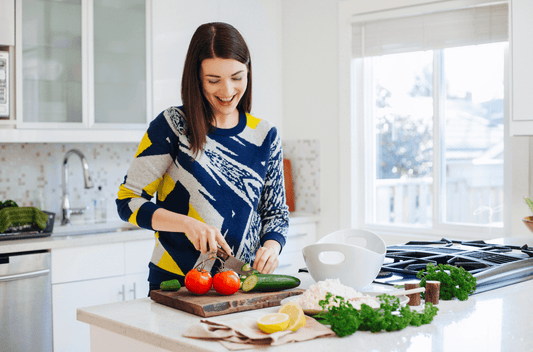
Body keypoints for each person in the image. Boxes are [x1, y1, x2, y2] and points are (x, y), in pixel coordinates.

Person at [116, 22, 289, 294]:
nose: (227, 90)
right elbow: (127, 201)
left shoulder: (264, 135)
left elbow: (275, 212)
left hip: (241, 282)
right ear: (196, 77)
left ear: (249, 72)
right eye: (213, 80)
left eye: (237, 77)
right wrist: (187, 224)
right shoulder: (172, 126)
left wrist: (271, 247)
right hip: (177, 283)